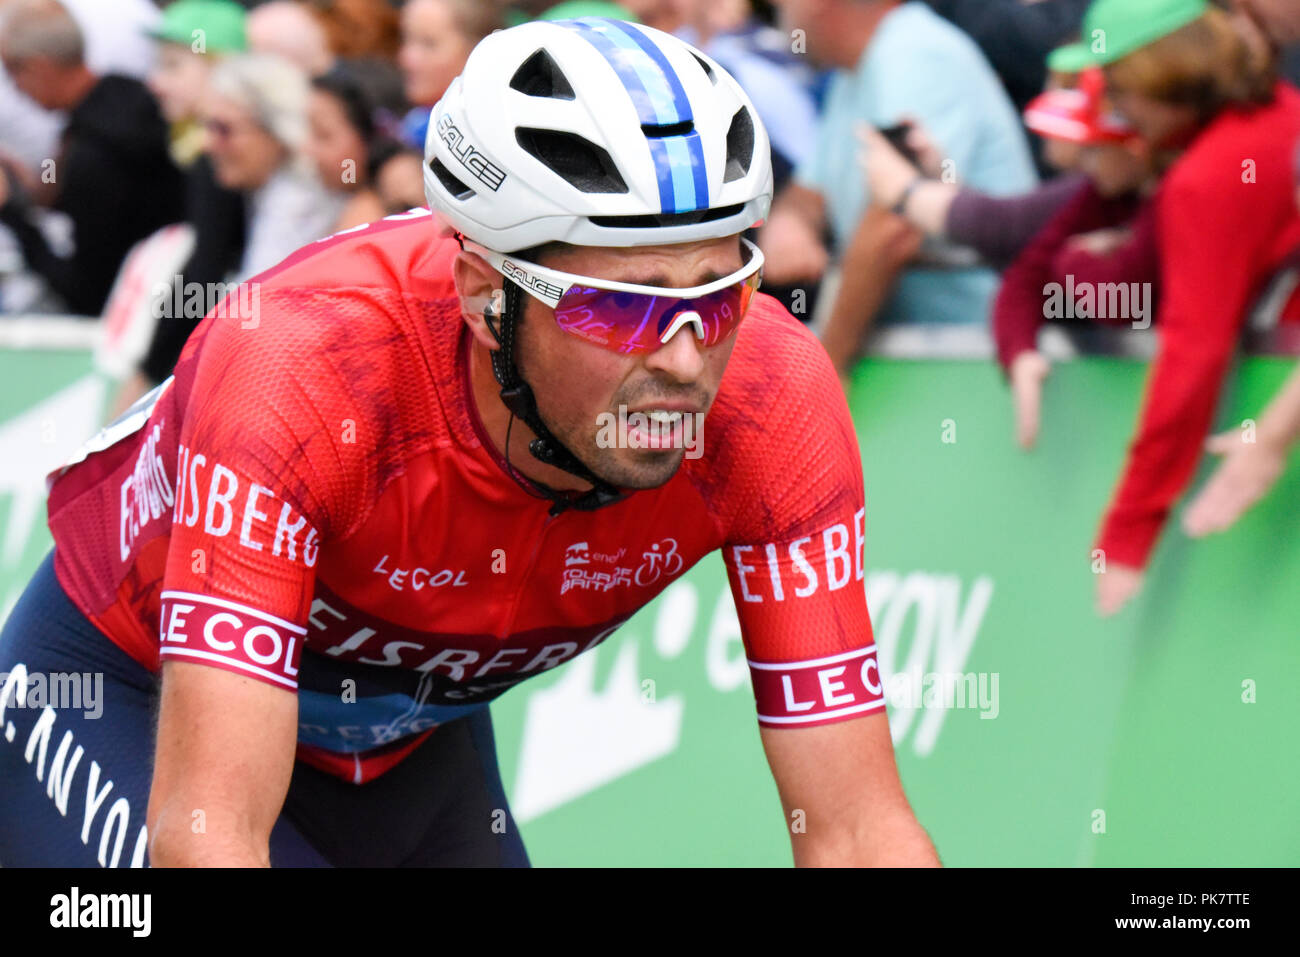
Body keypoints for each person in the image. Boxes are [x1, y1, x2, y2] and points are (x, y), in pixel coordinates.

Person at [0, 18, 938, 868]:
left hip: (404, 736)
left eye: (718, 291)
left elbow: (856, 833)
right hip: (128, 689)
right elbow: (208, 834)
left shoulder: (771, 396)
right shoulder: (304, 369)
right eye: (624, 305)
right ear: (488, 296)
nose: (689, 361)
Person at [1046, 0, 1300, 616]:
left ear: (1162, 77)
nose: (1113, 111)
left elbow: (1194, 356)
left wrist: (1129, 531)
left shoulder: (1204, 179)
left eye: (1120, 89)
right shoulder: (1279, 113)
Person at [759, 0, 1037, 379]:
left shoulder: (914, 54)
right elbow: (811, 193)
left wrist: (824, 370)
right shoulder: (855, 69)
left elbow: (895, 227)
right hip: (937, 361)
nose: (775, 6)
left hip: (983, 362)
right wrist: (789, 222)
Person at [0, 0, 184, 316]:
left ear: (38, 67)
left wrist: (13, 214)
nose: (16, 89)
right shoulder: (133, 98)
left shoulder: (94, 156)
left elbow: (86, 292)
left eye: (14, 73)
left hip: (141, 313)